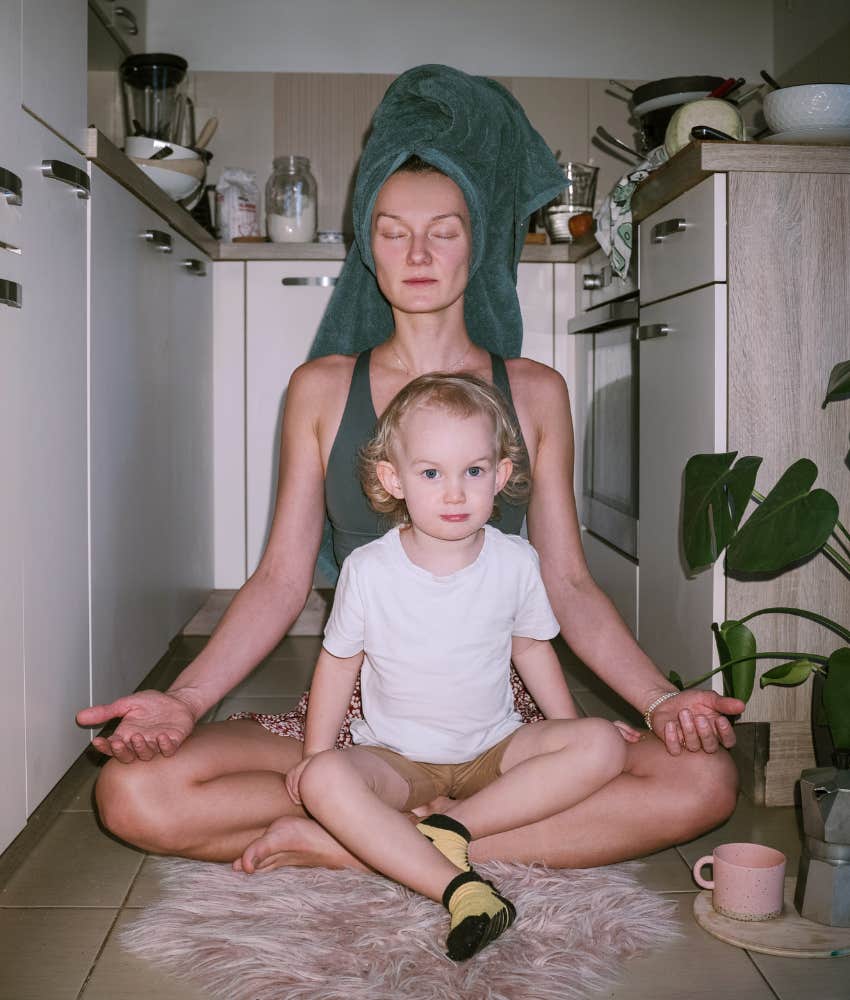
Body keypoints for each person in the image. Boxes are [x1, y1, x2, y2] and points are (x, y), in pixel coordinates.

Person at [76, 65, 744, 875]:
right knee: (133, 796)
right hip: (366, 722)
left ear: (484, 239)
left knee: (704, 781)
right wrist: (183, 702)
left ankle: (362, 847)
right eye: (393, 231)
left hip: (502, 722)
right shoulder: (322, 389)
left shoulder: (534, 393)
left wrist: (660, 700)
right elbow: (282, 580)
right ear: (368, 245)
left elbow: (567, 584)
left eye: (445, 230)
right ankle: (431, 835)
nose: (419, 253)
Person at [284, 372, 638, 960]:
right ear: (392, 480)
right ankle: (462, 889)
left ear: (500, 476)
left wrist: (569, 726)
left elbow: (531, 650)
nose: (455, 494)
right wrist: (318, 752)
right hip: (398, 758)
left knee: (602, 744)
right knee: (323, 780)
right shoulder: (369, 571)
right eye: (431, 474)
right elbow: (339, 660)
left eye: (473, 472)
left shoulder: (517, 562)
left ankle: (452, 829)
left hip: (493, 752)